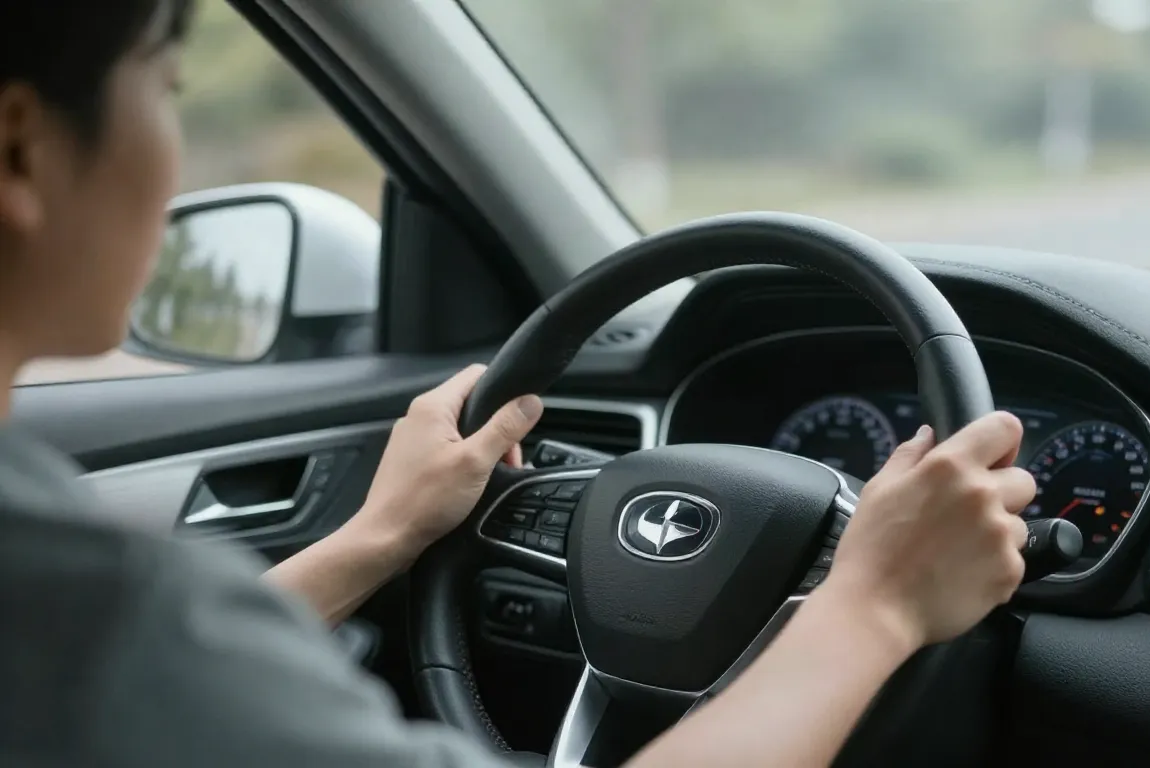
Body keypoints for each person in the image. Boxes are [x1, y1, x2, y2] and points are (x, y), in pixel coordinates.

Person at [0, 1, 1035, 766]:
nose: (173, 157)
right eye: (166, 93)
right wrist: (874, 603)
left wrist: (383, 534)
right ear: (20, 151)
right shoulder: (107, 615)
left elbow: (167, 691)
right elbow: (140, 658)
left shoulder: (73, 609)